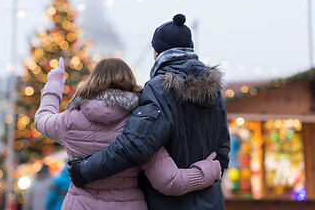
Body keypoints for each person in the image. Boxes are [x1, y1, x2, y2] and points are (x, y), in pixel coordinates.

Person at [67, 14, 231, 210]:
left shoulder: (159, 89)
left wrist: (85, 170)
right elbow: (222, 153)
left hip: (169, 204)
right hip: (211, 203)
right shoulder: (214, 91)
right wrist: (204, 175)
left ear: (156, 52)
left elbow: (135, 145)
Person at [34, 57, 221, 209]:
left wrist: (55, 82)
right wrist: (209, 171)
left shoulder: (69, 121)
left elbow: (42, 119)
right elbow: (170, 181)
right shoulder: (141, 126)